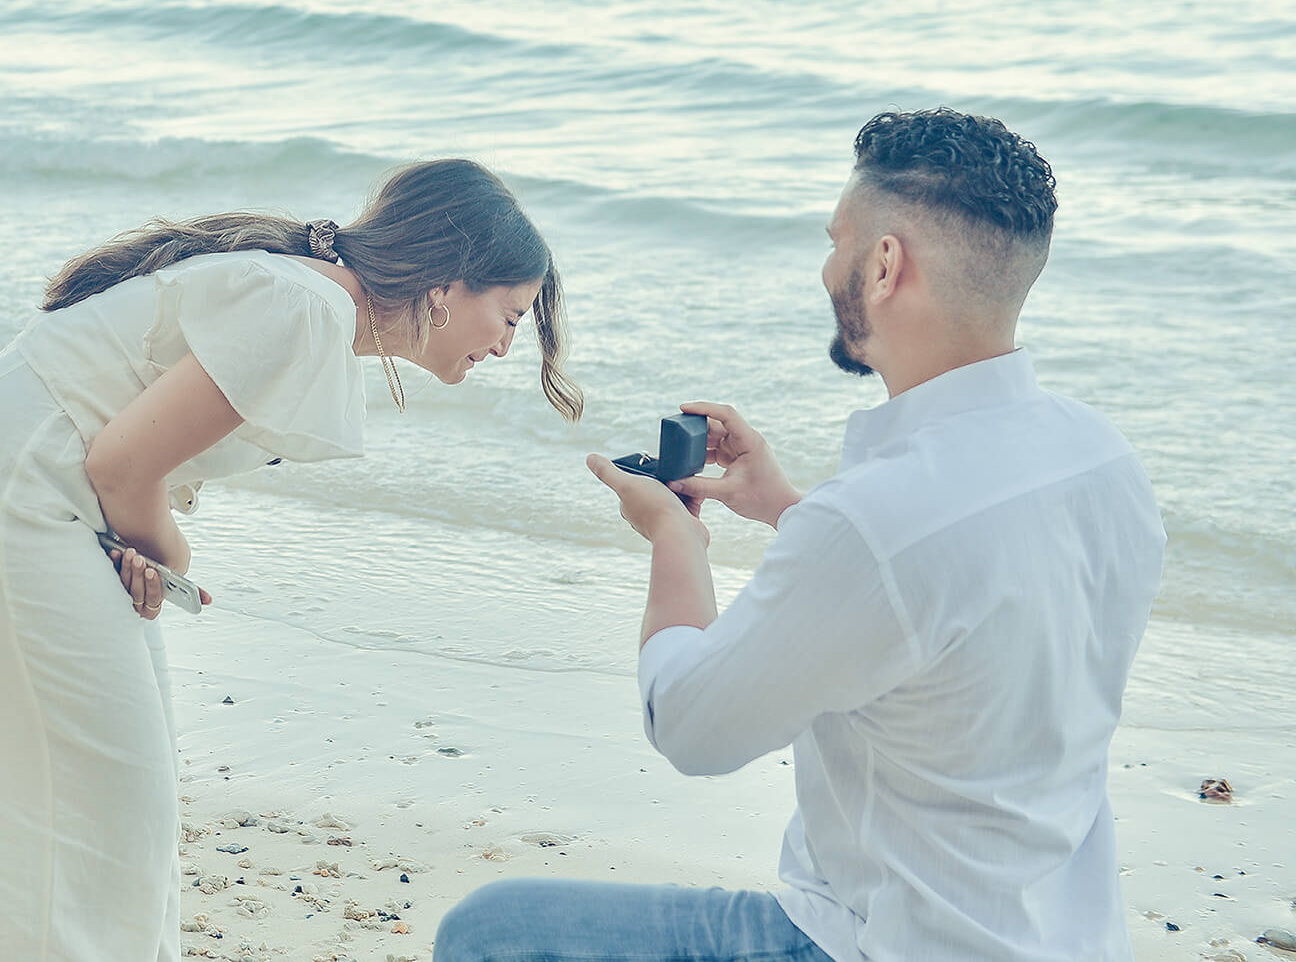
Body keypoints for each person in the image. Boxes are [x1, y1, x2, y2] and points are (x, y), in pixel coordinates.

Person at [436, 109, 1165, 962]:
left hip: (880, 944)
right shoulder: (1100, 459)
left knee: (493, 932)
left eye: (837, 241)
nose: (829, 266)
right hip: (1066, 940)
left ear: (885, 265)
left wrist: (675, 540)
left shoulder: (875, 521)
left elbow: (693, 727)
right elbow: (956, 604)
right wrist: (788, 508)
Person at [0, 157, 582, 962]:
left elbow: (122, 466)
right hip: (4, 494)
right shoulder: (307, 307)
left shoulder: (308, 299)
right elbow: (121, 466)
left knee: (112, 812)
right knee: (86, 816)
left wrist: (144, 549)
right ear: (445, 285)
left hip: (24, 491)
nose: (506, 345)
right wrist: (162, 554)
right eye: (509, 314)